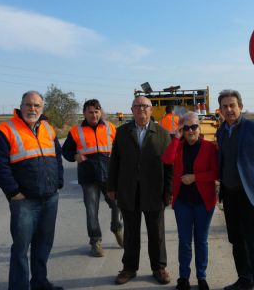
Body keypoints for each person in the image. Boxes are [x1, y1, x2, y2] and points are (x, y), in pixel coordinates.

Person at [0, 90, 64, 290]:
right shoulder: (5, 129)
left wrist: (59, 182)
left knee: (43, 245)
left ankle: (40, 282)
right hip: (24, 200)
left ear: (42, 108)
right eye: (29, 105)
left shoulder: (47, 128)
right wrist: (13, 192)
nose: (32, 109)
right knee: (21, 249)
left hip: (49, 197)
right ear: (20, 106)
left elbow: (57, 156)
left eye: (37, 105)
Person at [107, 96, 173, 285]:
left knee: (156, 233)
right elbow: (115, 162)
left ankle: (159, 268)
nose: (141, 109)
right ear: (132, 110)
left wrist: (169, 190)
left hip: (154, 191)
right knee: (131, 234)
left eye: (145, 106)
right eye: (137, 106)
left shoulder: (162, 133)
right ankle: (129, 268)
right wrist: (111, 186)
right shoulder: (122, 132)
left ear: (151, 111)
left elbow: (169, 166)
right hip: (129, 191)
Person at [216, 90, 254, 290]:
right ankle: (245, 279)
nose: (229, 109)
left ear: (240, 107)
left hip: (251, 196)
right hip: (230, 194)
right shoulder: (221, 131)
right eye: (225, 106)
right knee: (236, 240)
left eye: (232, 105)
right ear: (221, 110)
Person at [162, 111, 218, 290]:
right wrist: (176, 139)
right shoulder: (178, 146)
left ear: (199, 127)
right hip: (183, 203)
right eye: (187, 128)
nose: (191, 131)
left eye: (194, 127)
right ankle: (183, 277)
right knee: (184, 241)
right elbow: (167, 159)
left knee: (201, 241)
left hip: (203, 202)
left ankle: (201, 277)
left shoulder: (209, 148)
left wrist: (195, 177)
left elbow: (215, 174)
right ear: (182, 130)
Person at [62, 99, 124, 257]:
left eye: (96, 111)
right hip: (88, 177)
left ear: (100, 112)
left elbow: (119, 150)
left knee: (117, 204)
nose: (94, 115)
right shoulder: (76, 131)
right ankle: (95, 241)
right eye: (90, 112)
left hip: (109, 175)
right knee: (91, 211)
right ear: (84, 113)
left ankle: (117, 227)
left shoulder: (110, 127)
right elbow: (65, 151)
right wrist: (74, 156)